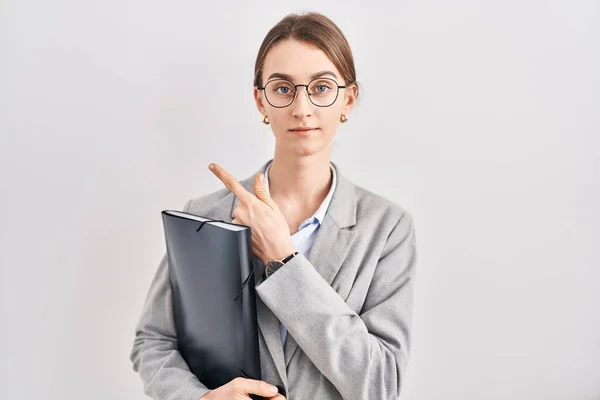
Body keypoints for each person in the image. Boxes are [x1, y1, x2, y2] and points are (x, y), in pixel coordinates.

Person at [130, 11, 417, 400]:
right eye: (283, 88)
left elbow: (380, 384)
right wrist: (199, 398)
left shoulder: (386, 228)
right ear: (260, 101)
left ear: (348, 98)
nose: (302, 108)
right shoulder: (206, 214)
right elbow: (153, 341)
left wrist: (284, 260)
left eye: (321, 87)